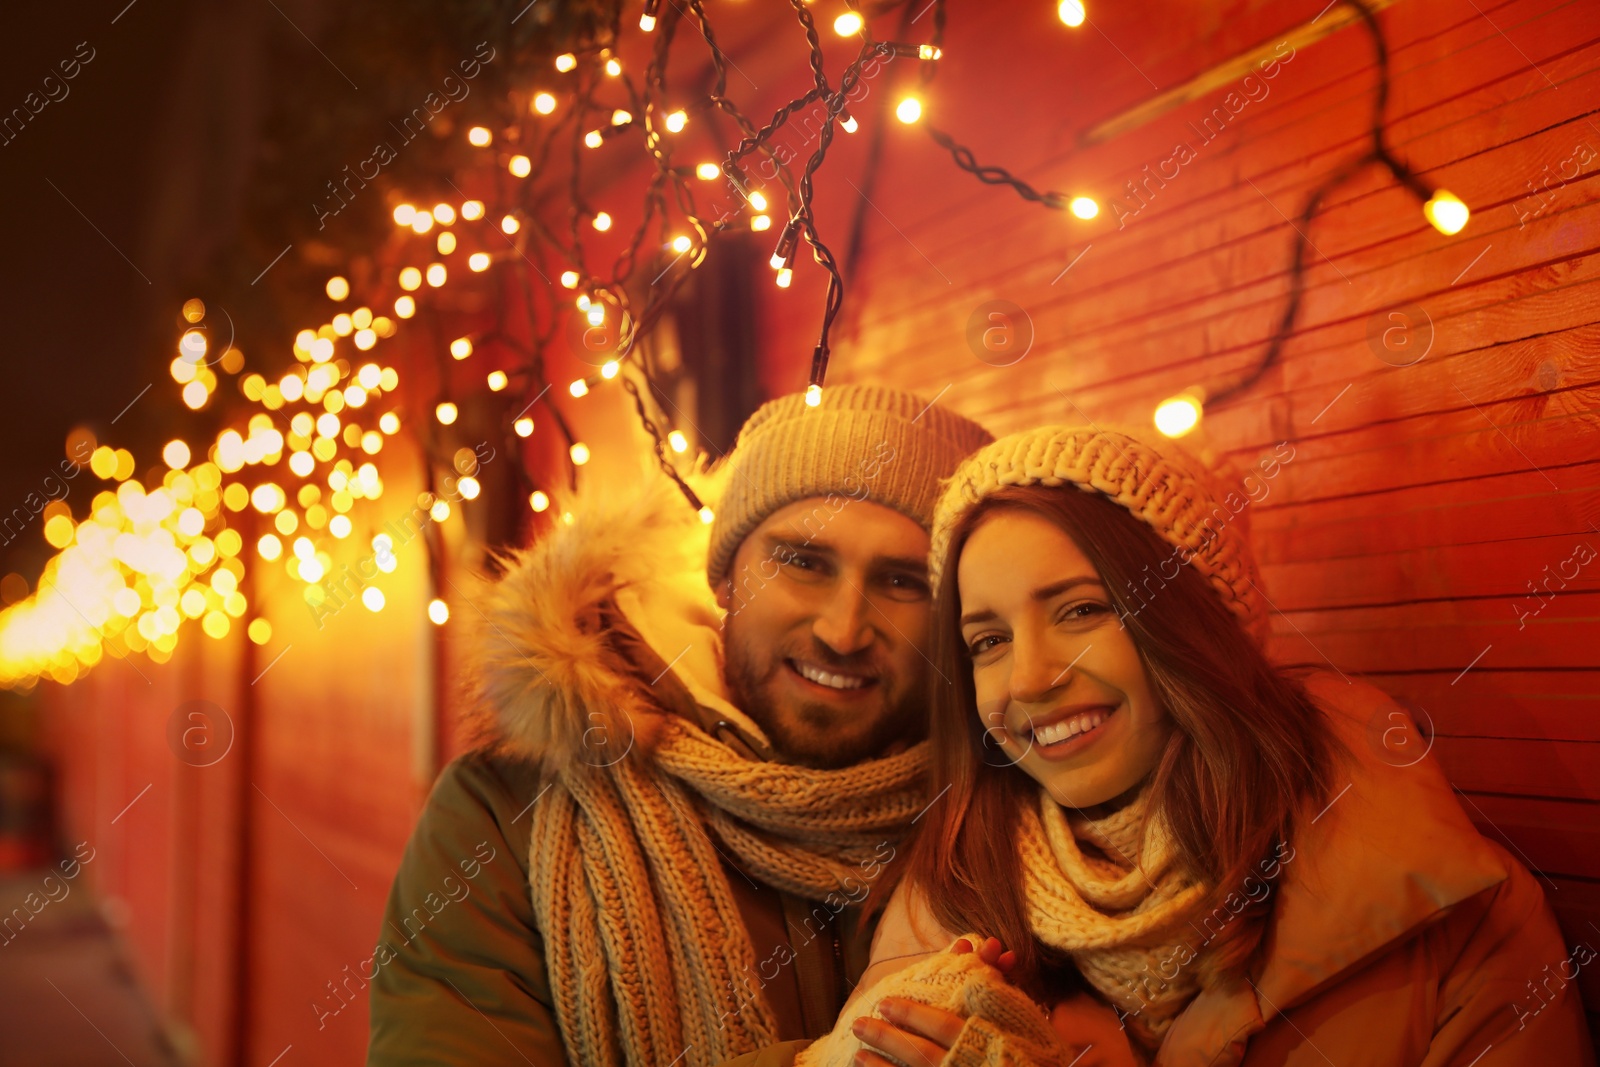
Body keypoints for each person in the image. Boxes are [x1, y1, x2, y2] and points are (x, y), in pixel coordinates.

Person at [800, 424, 1595, 1066]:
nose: (1029, 679)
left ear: (1194, 627)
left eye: (1082, 610)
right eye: (987, 640)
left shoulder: (1447, 912)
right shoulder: (945, 906)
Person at [364, 385, 992, 1066]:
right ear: (725, 578)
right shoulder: (505, 817)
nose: (843, 630)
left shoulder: (1005, 820)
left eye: (904, 581)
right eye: (804, 562)